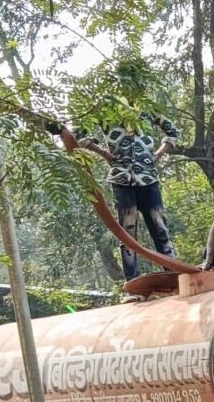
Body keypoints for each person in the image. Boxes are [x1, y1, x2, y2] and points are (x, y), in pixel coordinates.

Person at [77, 111, 180, 284]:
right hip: (121, 180)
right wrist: (103, 152)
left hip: (148, 178)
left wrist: (157, 155)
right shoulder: (105, 108)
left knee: (160, 229)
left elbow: (174, 132)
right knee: (127, 234)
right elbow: (77, 133)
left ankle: (175, 275)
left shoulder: (148, 109)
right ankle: (133, 282)